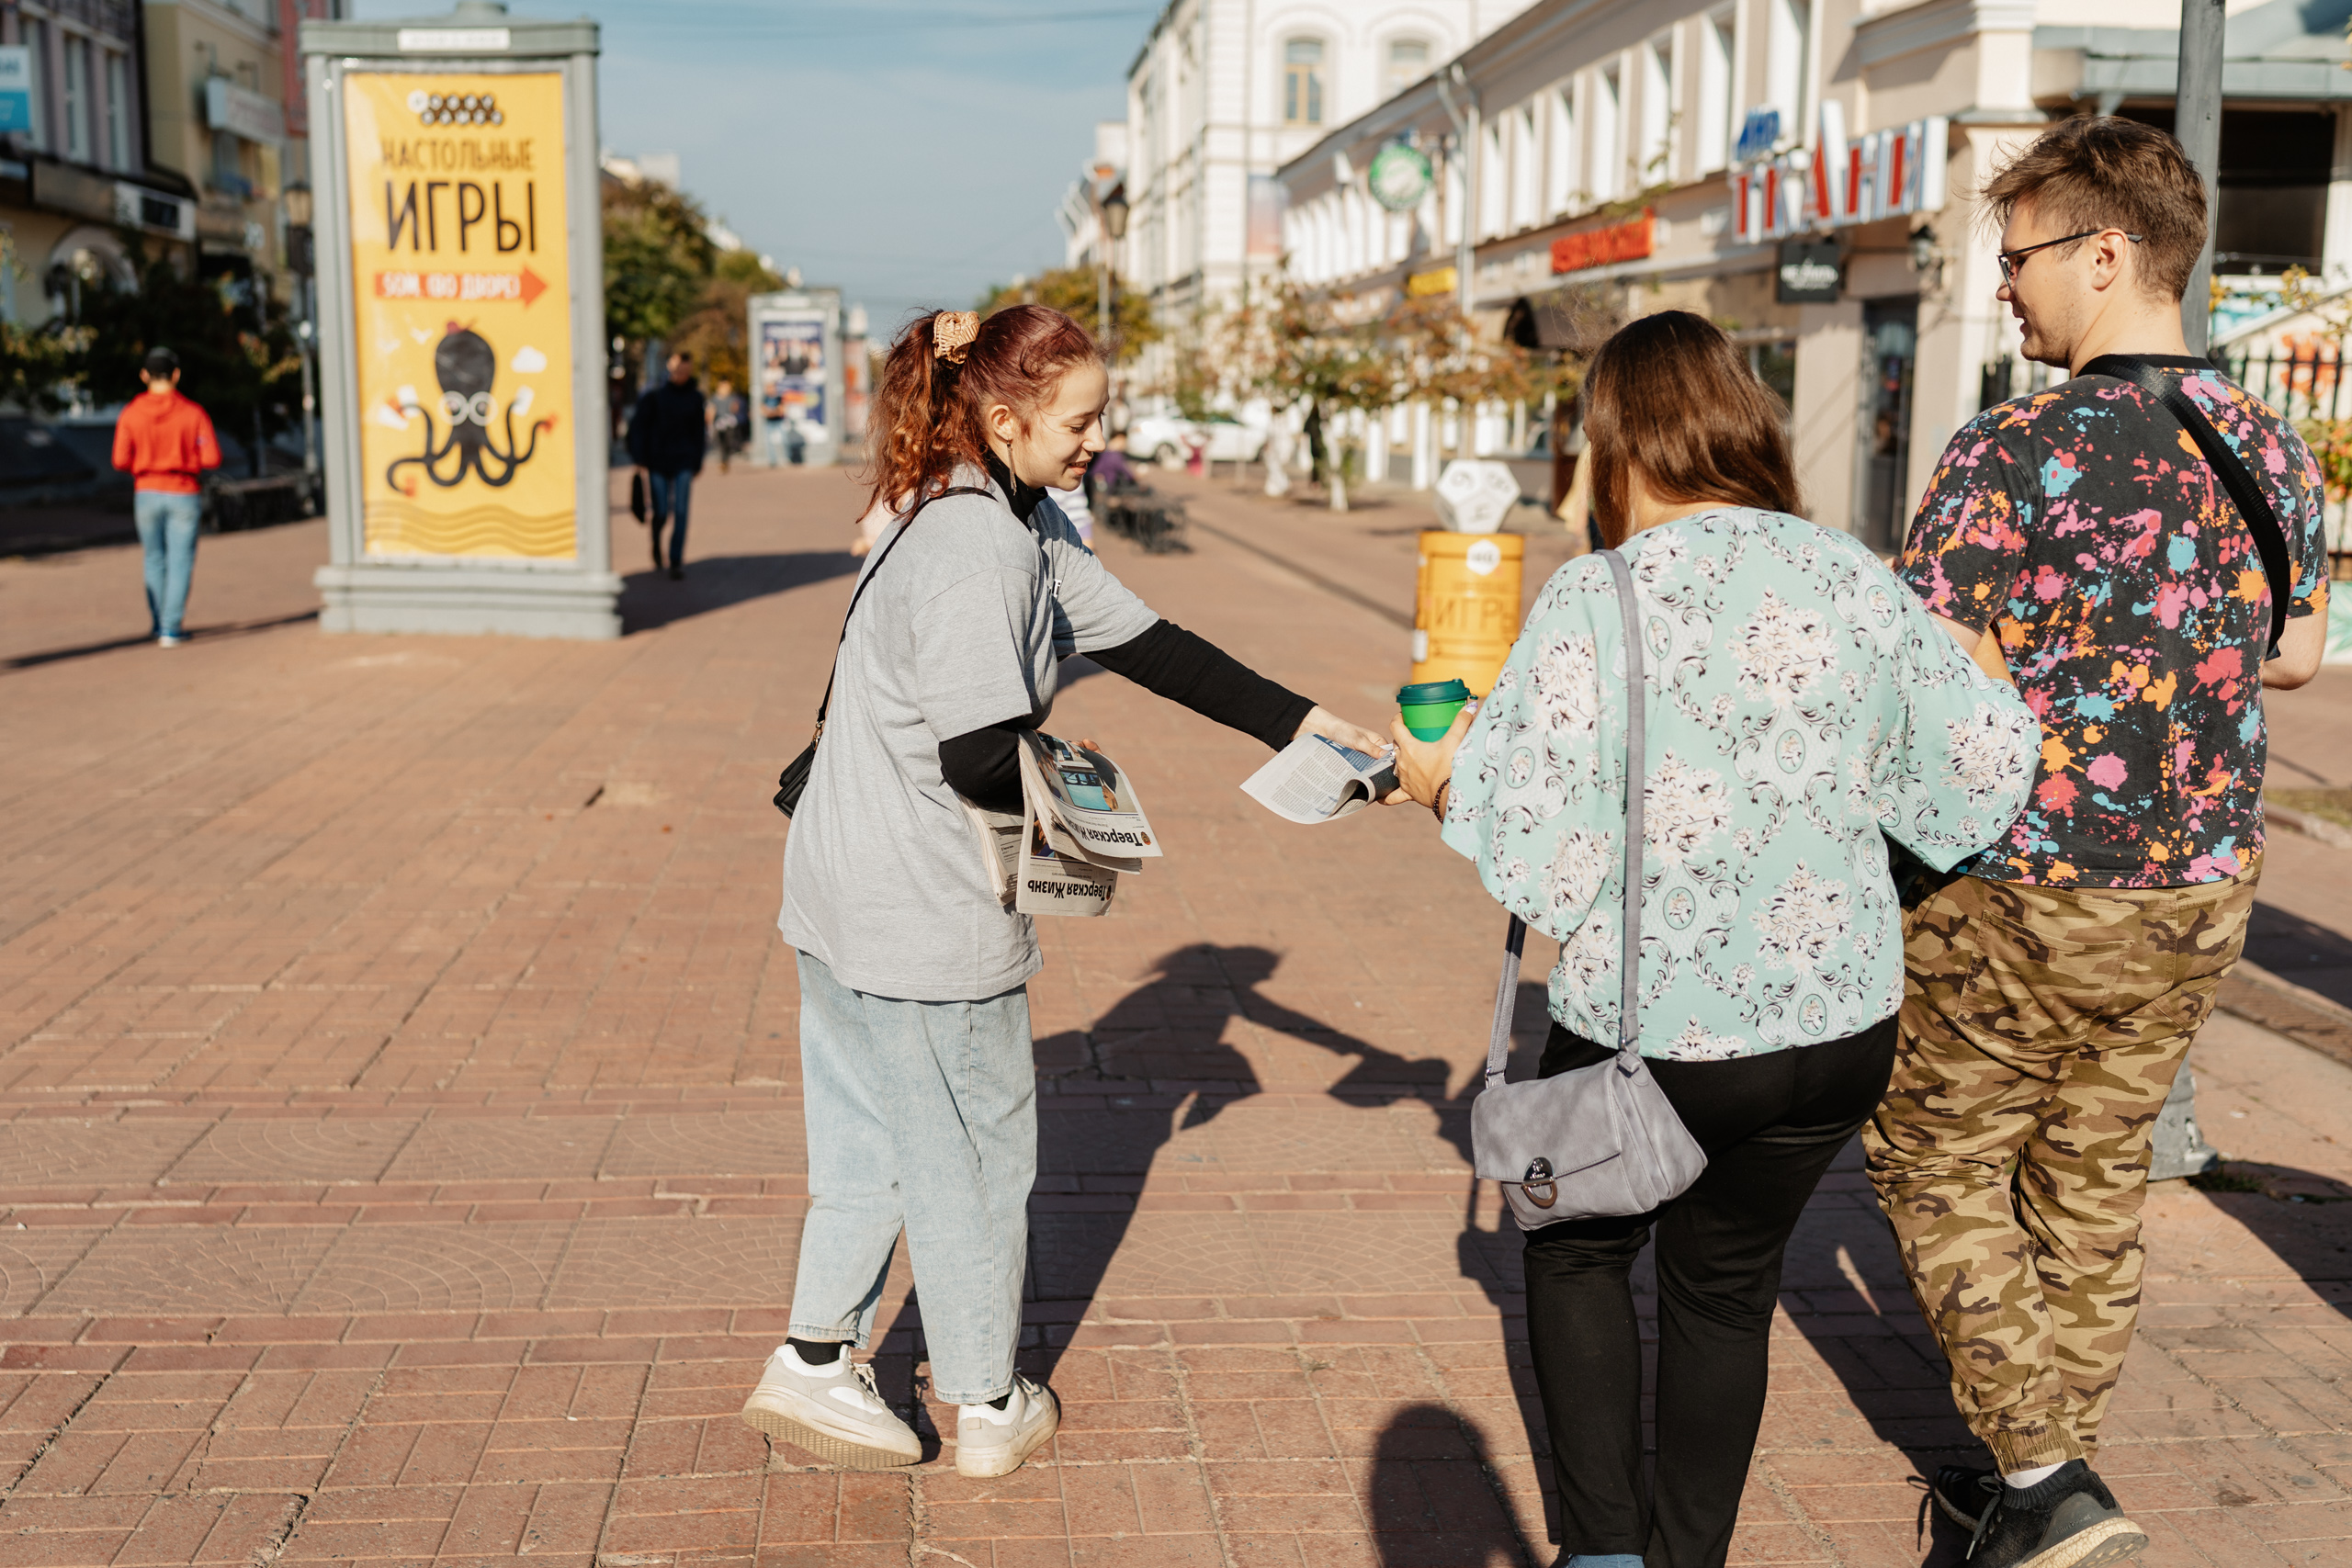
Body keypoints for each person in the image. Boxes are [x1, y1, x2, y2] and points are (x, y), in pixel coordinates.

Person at [1385, 311, 2039, 1568]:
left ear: (1622, 441)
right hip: (1839, 1026)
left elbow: (1539, 855)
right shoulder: (1848, 567)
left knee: (1577, 1252)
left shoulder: (1601, 591)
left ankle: (1605, 1551)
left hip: (1666, 1027)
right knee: (1726, 1288)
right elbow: (1982, 759)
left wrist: (1439, 779)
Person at [741, 304, 1391, 1481]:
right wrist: (1096, 823)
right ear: (1003, 415)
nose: (1098, 438)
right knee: (975, 1152)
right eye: (1081, 419)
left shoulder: (997, 518)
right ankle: (987, 1401)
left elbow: (1157, 648)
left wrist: (1309, 728)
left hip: (841, 890)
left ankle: (812, 1359)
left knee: (872, 1136)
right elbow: (983, 756)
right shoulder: (981, 547)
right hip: (921, 909)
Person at [1866, 116, 2329, 1568]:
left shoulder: (2019, 443)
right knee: (2094, 1164)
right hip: (2202, 880)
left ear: (2107, 251)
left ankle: (2046, 1470)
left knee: (1933, 1154)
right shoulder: (2270, 438)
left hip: (2027, 876)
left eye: (2019, 258)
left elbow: (1934, 675)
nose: (2005, 287)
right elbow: (2300, 651)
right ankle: (2036, 1481)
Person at [111, 346, 221, 648]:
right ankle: (171, 628)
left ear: (144, 375)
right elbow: (211, 457)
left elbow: (119, 460)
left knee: (154, 558)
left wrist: (147, 463)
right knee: (180, 560)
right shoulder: (193, 413)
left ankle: (160, 622)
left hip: (146, 491)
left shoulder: (131, 413)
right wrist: (185, 459)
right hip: (184, 492)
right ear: (176, 374)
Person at [628, 351, 707, 579]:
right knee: (661, 511)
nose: (681, 375)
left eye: (685, 370)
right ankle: (655, 540)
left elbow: (699, 432)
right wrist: (639, 458)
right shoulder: (654, 396)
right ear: (670, 369)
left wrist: (697, 461)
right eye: (677, 370)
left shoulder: (695, 398)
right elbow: (639, 428)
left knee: (681, 512)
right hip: (657, 461)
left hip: (683, 460)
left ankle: (675, 560)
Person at [709, 378, 746, 474]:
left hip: (729, 423)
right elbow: (711, 410)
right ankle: (722, 461)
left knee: (728, 443)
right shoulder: (715, 398)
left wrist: (735, 407)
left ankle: (726, 461)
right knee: (720, 443)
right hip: (719, 424)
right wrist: (710, 423)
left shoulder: (732, 398)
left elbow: (735, 409)